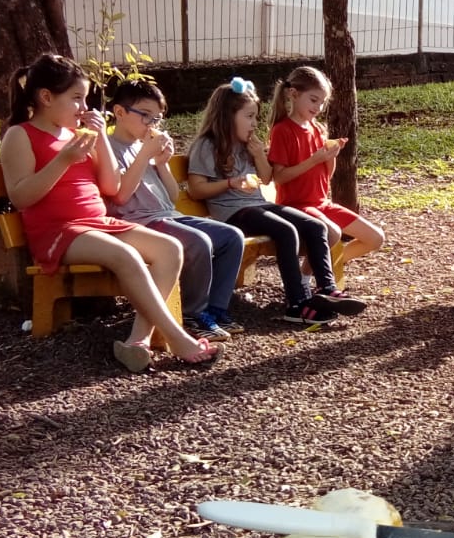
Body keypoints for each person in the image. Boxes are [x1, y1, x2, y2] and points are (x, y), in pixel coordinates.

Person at [0, 54, 222, 373]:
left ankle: (137, 341)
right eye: (76, 98)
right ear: (46, 97)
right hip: (58, 230)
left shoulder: (76, 134)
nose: (83, 107)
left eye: (85, 98)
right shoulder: (20, 135)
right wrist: (63, 160)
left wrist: (101, 135)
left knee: (170, 248)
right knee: (126, 255)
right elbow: (21, 197)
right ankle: (178, 339)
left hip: (97, 224)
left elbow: (112, 185)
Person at [186, 77, 365, 325]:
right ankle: (297, 303)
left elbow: (266, 178)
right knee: (285, 230)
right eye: (249, 117)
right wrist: (230, 183)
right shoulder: (206, 146)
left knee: (315, 226)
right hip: (233, 214)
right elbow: (196, 190)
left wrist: (259, 154)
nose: (254, 123)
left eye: (255, 117)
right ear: (228, 115)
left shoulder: (246, 146)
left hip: (259, 206)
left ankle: (326, 290)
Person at [105, 79, 246, 342]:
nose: (152, 124)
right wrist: (145, 156)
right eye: (145, 116)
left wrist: (162, 164)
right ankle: (193, 313)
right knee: (198, 242)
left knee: (231, 237)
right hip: (138, 222)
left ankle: (214, 310)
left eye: (156, 118)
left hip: (167, 215)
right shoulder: (108, 148)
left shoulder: (143, 146)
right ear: (120, 112)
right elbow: (121, 196)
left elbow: (171, 198)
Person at [267, 66, 384, 296]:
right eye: (313, 100)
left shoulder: (318, 129)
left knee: (375, 238)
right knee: (331, 232)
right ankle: (305, 280)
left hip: (322, 203)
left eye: (322, 103)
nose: (318, 108)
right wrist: (315, 159)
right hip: (296, 206)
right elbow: (279, 177)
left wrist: (330, 158)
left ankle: (328, 265)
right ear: (293, 94)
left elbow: (325, 178)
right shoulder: (283, 130)